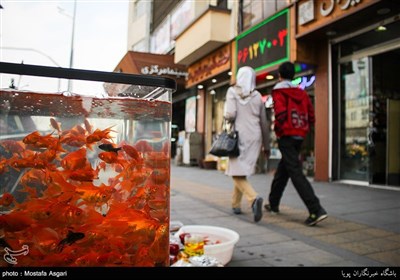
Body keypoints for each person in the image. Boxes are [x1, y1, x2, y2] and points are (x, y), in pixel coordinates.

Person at [265, 61, 327, 226]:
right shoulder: (302, 93)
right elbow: (311, 115)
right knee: (283, 169)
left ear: (279, 75)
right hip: (300, 134)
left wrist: (279, 130)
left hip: (286, 134)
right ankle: (273, 203)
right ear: (293, 75)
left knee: (294, 171)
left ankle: (315, 209)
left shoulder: (279, 92)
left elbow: (280, 114)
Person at [224, 66, 270, 223]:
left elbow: (230, 114)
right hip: (255, 136)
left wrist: (226, 115)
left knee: (235, 171)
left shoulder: (232, 92)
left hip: (239, 137)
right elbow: (264, 122)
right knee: (240, 170)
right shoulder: (257, 96)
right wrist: (267, 144)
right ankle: (235, 204)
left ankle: (253, 198)